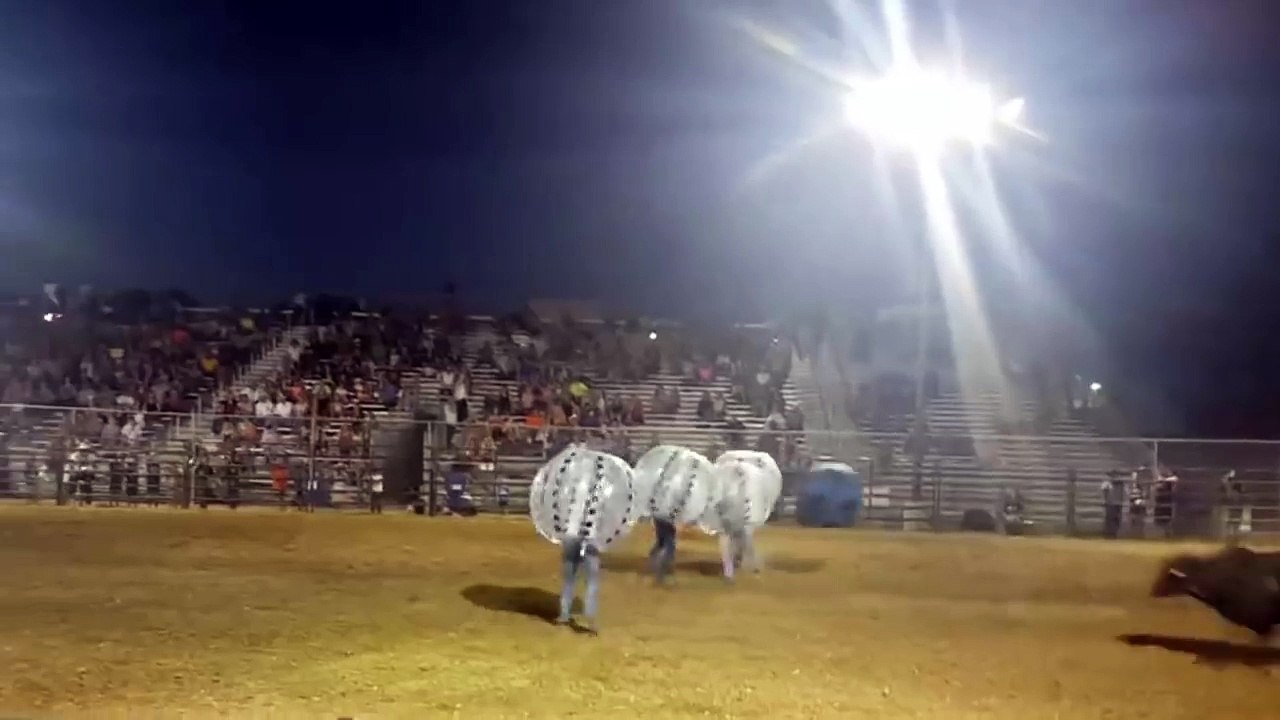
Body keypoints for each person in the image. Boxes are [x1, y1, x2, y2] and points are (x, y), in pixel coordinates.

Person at [556, 536, 600, 634]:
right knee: (591, 582)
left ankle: (564, 614)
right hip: (590, 542)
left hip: (572, 540)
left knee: (569, 580)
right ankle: (590, 619)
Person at [649, 518, 677, 584]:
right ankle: (659, 577)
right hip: (665, 537)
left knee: (662, 557)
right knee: (663, 556)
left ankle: (659, 577)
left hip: (666, 537)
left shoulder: (662, 521)